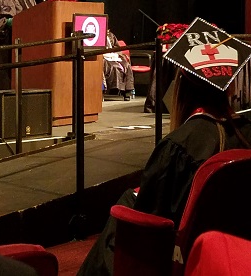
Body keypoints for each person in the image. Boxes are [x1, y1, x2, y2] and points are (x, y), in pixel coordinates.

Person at [77, 18, 251, 276]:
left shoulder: (179, 145)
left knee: (126, 206)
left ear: (182, 88)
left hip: (179, 252)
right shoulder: (246, 130)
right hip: (236, 240)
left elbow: (152, 217)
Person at [103, 30, 134, 100]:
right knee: (113, 67)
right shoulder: (98, 37)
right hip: (103, 56)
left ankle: (128, 90)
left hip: (113, 55)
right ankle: (116, 88)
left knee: (126, 65)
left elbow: (117, 47)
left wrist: (116, 54)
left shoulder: (111, 35)